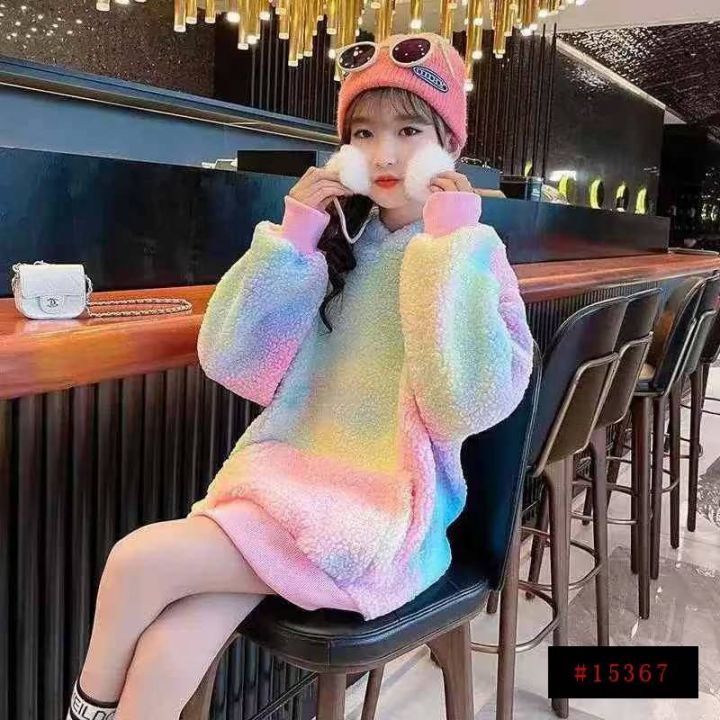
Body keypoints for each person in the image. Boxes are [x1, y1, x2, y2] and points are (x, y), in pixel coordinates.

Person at [65, 32, 533, 720]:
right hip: (284, 482)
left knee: (138, 561)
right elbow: (234, 361)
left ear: (450, 144)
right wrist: (294, 237)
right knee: (175, 634)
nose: (385, 154)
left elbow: (461, 403)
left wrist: (449, 249)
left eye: (409, 130)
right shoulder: (341, 240)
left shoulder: (472, 254)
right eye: (364, 133)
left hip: (379, 514)